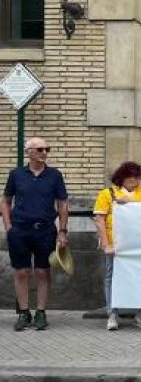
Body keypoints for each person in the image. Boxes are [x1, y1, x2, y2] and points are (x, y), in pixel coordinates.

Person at [2, 137, 69, 331]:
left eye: (47, 149)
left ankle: (40, 312)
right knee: (21, 272)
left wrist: (63, 231)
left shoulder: (54, 175)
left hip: (45, 230)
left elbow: (63, 203)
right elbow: (6, 200)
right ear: (29, 152)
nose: (44, 153)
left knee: (42, 271)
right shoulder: (16, 175)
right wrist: (8, 226)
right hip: (20, 230)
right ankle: (24, 313)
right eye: (40, 149)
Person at [93, 161, 141, 331]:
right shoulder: (107, 194)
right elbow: (99, 220)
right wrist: (106, 244)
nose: (135, 181)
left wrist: (132, 204)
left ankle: (140, 313)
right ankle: (112, 313)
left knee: (139, 276)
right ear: (123, 177)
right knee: (111, 277)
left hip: (137, 245)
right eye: (132, 177)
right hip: (115, 244)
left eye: (138, 178)